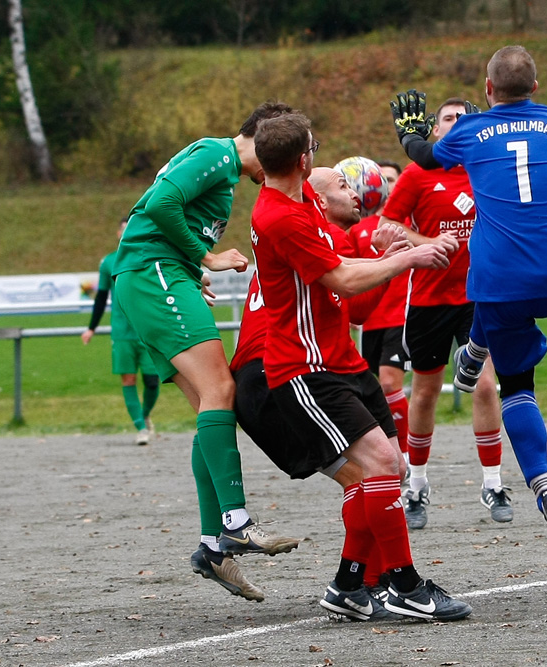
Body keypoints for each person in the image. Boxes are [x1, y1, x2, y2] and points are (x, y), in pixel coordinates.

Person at [250, 112, 472, 621]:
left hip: (341, 361)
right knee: (377, 466)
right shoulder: (279, 216)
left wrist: (383, 243)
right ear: (303, 159)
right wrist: (411, 256)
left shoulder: (301, 196)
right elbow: (343, 282)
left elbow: (345, 248)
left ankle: (352, 584)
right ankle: (406, 585)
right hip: (305, 368)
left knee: (387, 470)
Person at [389, 45, 547, 561]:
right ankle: (475, 350)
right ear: (537, 89)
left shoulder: (469, 135)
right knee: (505, 308)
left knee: (518, 384)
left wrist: (411, 133)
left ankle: (543, 488)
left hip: (498, 280)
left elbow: (425, 156)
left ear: (486, 92)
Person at [111, 102, 301, 603]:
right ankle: (235, 522)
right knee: (222, 389)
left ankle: (212, 548)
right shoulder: (217, 155)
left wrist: (190, 269)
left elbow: (163, 212)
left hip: (158, 275)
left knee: (210, 407)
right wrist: (205, 257)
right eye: (277, 150)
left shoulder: (225, 173)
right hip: (154, 275)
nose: (279, 167)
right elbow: (157, 206)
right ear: (258, 137)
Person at [230, 169, 412, 620]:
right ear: (321, 201)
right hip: (282, 372)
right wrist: (401, 259)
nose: (358, 192)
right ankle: (373, 582)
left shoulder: (306, 229)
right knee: (372, 473)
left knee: (374, 474)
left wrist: (384, 261)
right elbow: (350, 289)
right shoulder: (324, 234)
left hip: (274, 372)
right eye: (344, 186)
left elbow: (356, 308)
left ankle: (364, 582)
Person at [379, 98, 512, 529]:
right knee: (425, 392)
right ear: (434, 131)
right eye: (448, 118)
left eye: (464, 118)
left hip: (478, 297)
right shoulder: (418, 174)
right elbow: (387, 225)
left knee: (487, 386)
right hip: (429, 300)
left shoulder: (487, 168)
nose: (456, 124)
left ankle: (493, 483)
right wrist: (425, 243)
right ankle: (416, 485)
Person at [335, 157, 411, 470]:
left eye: (393, 180)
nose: (388, 185)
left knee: (391, 382)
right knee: (377, 389)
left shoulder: (405, 222)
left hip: (401, 316)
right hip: (371, 320)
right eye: (384, 179)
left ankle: (404, 456)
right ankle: (388, 453)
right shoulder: (356, 226)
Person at [81, 217, 160, 446]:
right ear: (118, 234)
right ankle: (140, 427)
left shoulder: (147, 257)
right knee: (129, 378)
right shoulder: (109, 262)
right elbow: (102, 298)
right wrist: (91, 328)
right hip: (122, 332)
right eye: (123, 230)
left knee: (153, 381)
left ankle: (145, 414)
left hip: (146, 329)